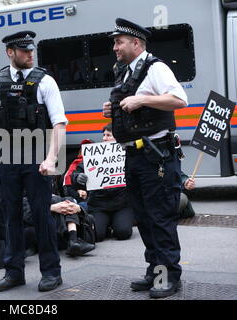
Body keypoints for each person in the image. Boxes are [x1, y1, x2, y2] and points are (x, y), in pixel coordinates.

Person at [103, 18, 188, 298]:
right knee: (144, 217)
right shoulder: (126, 72)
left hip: (157, 155)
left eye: (119, 42)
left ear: (136, 43)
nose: (115, 46)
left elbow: (178, 99)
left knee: (160, 217)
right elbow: (133, 105)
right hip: (135, 155)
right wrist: (113, 108)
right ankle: (154, 273)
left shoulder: (156, 67)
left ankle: (167, 277)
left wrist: (141, 101)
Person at [0, 31, 68, 292]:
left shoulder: (45, 81)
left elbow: (59, 124)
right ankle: (13, 271)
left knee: (42, 215)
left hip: (37, 157)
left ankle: (51, 271)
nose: (31, 54)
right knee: (11, 216)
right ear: (10, 52)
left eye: (32, 49)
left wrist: (52, 159)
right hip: (7, 158)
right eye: (25, 50)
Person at [71, 124, 134, 242]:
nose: (104, 138)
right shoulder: (94, 154)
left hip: (122, 203)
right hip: (98, 204)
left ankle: (118, 222)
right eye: (104, 135)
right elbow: (75, 173)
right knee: (97, 235)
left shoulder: (127, 154)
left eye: (108, 135)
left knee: (123, 233)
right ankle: (106, 225)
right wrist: (78, 177)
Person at [23, 194, 95, 258]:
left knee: (68, 201)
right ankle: (72, 240)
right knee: (56, 201)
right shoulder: (23, 196)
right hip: (41, 231)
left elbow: (68, 199)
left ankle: (73, 240)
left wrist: (78, 208)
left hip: (59, 230)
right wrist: (51, 208)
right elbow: (28, 217)